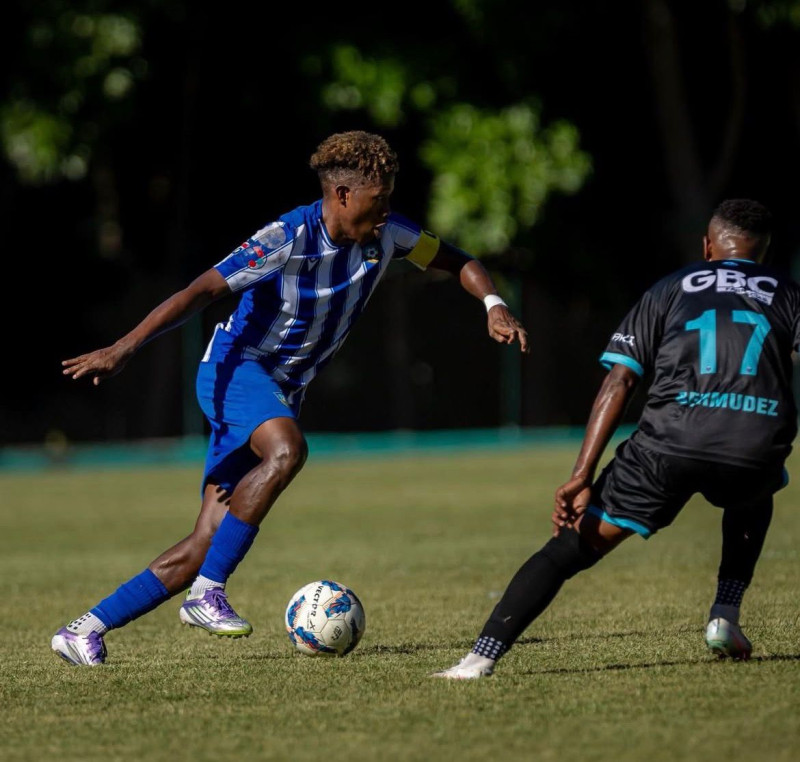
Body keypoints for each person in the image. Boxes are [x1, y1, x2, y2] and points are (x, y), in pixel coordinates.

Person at [52, 130, 529, 666]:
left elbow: (456, 260)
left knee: (206, 540)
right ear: (343, 195)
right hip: (235, 371)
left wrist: (492, 303)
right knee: (287, 450)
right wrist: (124, 347)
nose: (387, 210)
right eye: (379, 200)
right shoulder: (287, 236)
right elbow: (201, 291)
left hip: (278, 389)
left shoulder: (389, 236)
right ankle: (207, 594)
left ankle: (84, 629)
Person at [434, 198, 796, 679]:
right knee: (758, 487)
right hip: (752, 445)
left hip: (666, 447)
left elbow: (619, 382)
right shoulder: (787, 292)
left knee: (569, 549)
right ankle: (724, 616)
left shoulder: (671, 288)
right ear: (764, 254)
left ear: (708, 245)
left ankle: (478, 659)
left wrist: (580, 476)